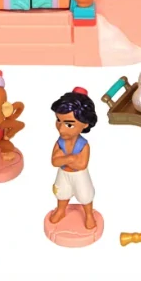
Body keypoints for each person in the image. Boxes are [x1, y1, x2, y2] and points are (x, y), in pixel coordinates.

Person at [49, 87, 98, 229]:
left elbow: (82, 164)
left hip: (79, 175)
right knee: (61, 192)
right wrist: (72, 159)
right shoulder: (60, 142)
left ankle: (89, 214)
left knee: (85, 195)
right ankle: (61, 210)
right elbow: (54, 161)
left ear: (85, 124)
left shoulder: (84, 145)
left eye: (69, 124)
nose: (61, 128)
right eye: (58, 120)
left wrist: (65, 158)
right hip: (63, 173)